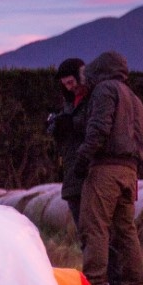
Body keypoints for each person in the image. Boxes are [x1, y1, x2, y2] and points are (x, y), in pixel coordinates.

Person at [74, 51, 143, 285]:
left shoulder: (104, 90)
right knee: (126, 230)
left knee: (94, 227)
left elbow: (99, 128)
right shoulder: (135, 99)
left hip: (105, 170)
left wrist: (82, 160)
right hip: (130, 171)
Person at [48, 57, 89, 230]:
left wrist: (72, 124)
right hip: (72, 172)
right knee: (83, 229)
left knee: (92, 229)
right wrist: (55, 127)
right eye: (64, 84)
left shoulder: (94, 98)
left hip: (86, 172)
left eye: (71, 82)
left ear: (81, 77)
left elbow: (97, 128)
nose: (69, 87)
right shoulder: (69, 103)